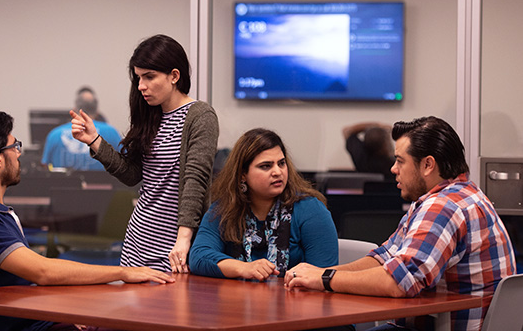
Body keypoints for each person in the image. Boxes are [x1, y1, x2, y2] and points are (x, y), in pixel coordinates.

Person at [0, 111, 174, 331]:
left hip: (38, 319)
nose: (19, 153)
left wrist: (65, 312)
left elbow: (28, 282)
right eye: (15, 147)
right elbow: (43, 272)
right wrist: (123, 273)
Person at [286, 116, 516, 331]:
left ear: (427, 165)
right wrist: (322, 273)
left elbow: (399, 282)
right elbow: (385, 257)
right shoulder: (458, 194)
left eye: (400, 161)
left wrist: (325, 279)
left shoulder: (444, 207)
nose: (393, 169)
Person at [71, 34, 219, 273]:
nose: (141, 86)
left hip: (175, 245)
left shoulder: (200, 116)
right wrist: (95, 141)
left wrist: (183, 239)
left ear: (174, 76)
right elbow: (132, 174)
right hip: (138, 241)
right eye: (139, 77)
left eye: (149, 77)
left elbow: (196, 180)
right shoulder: (151, 115)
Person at [189, 128, 338, 280]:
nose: (277, 172)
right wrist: (243, 268)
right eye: (266, 166)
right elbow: (199, 257)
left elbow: (323, 274)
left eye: (281, 163)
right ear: (242, 175)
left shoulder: (310, 209)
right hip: (237, 300)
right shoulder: (225, 208)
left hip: (295, 300)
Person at [41, 86, 122, 171]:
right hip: (101, 184)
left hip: (63, 184)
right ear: (97, 111)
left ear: (75, 109)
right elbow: (124, 163)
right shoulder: (112, 132)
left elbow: (45, 166)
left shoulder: (54, 134)